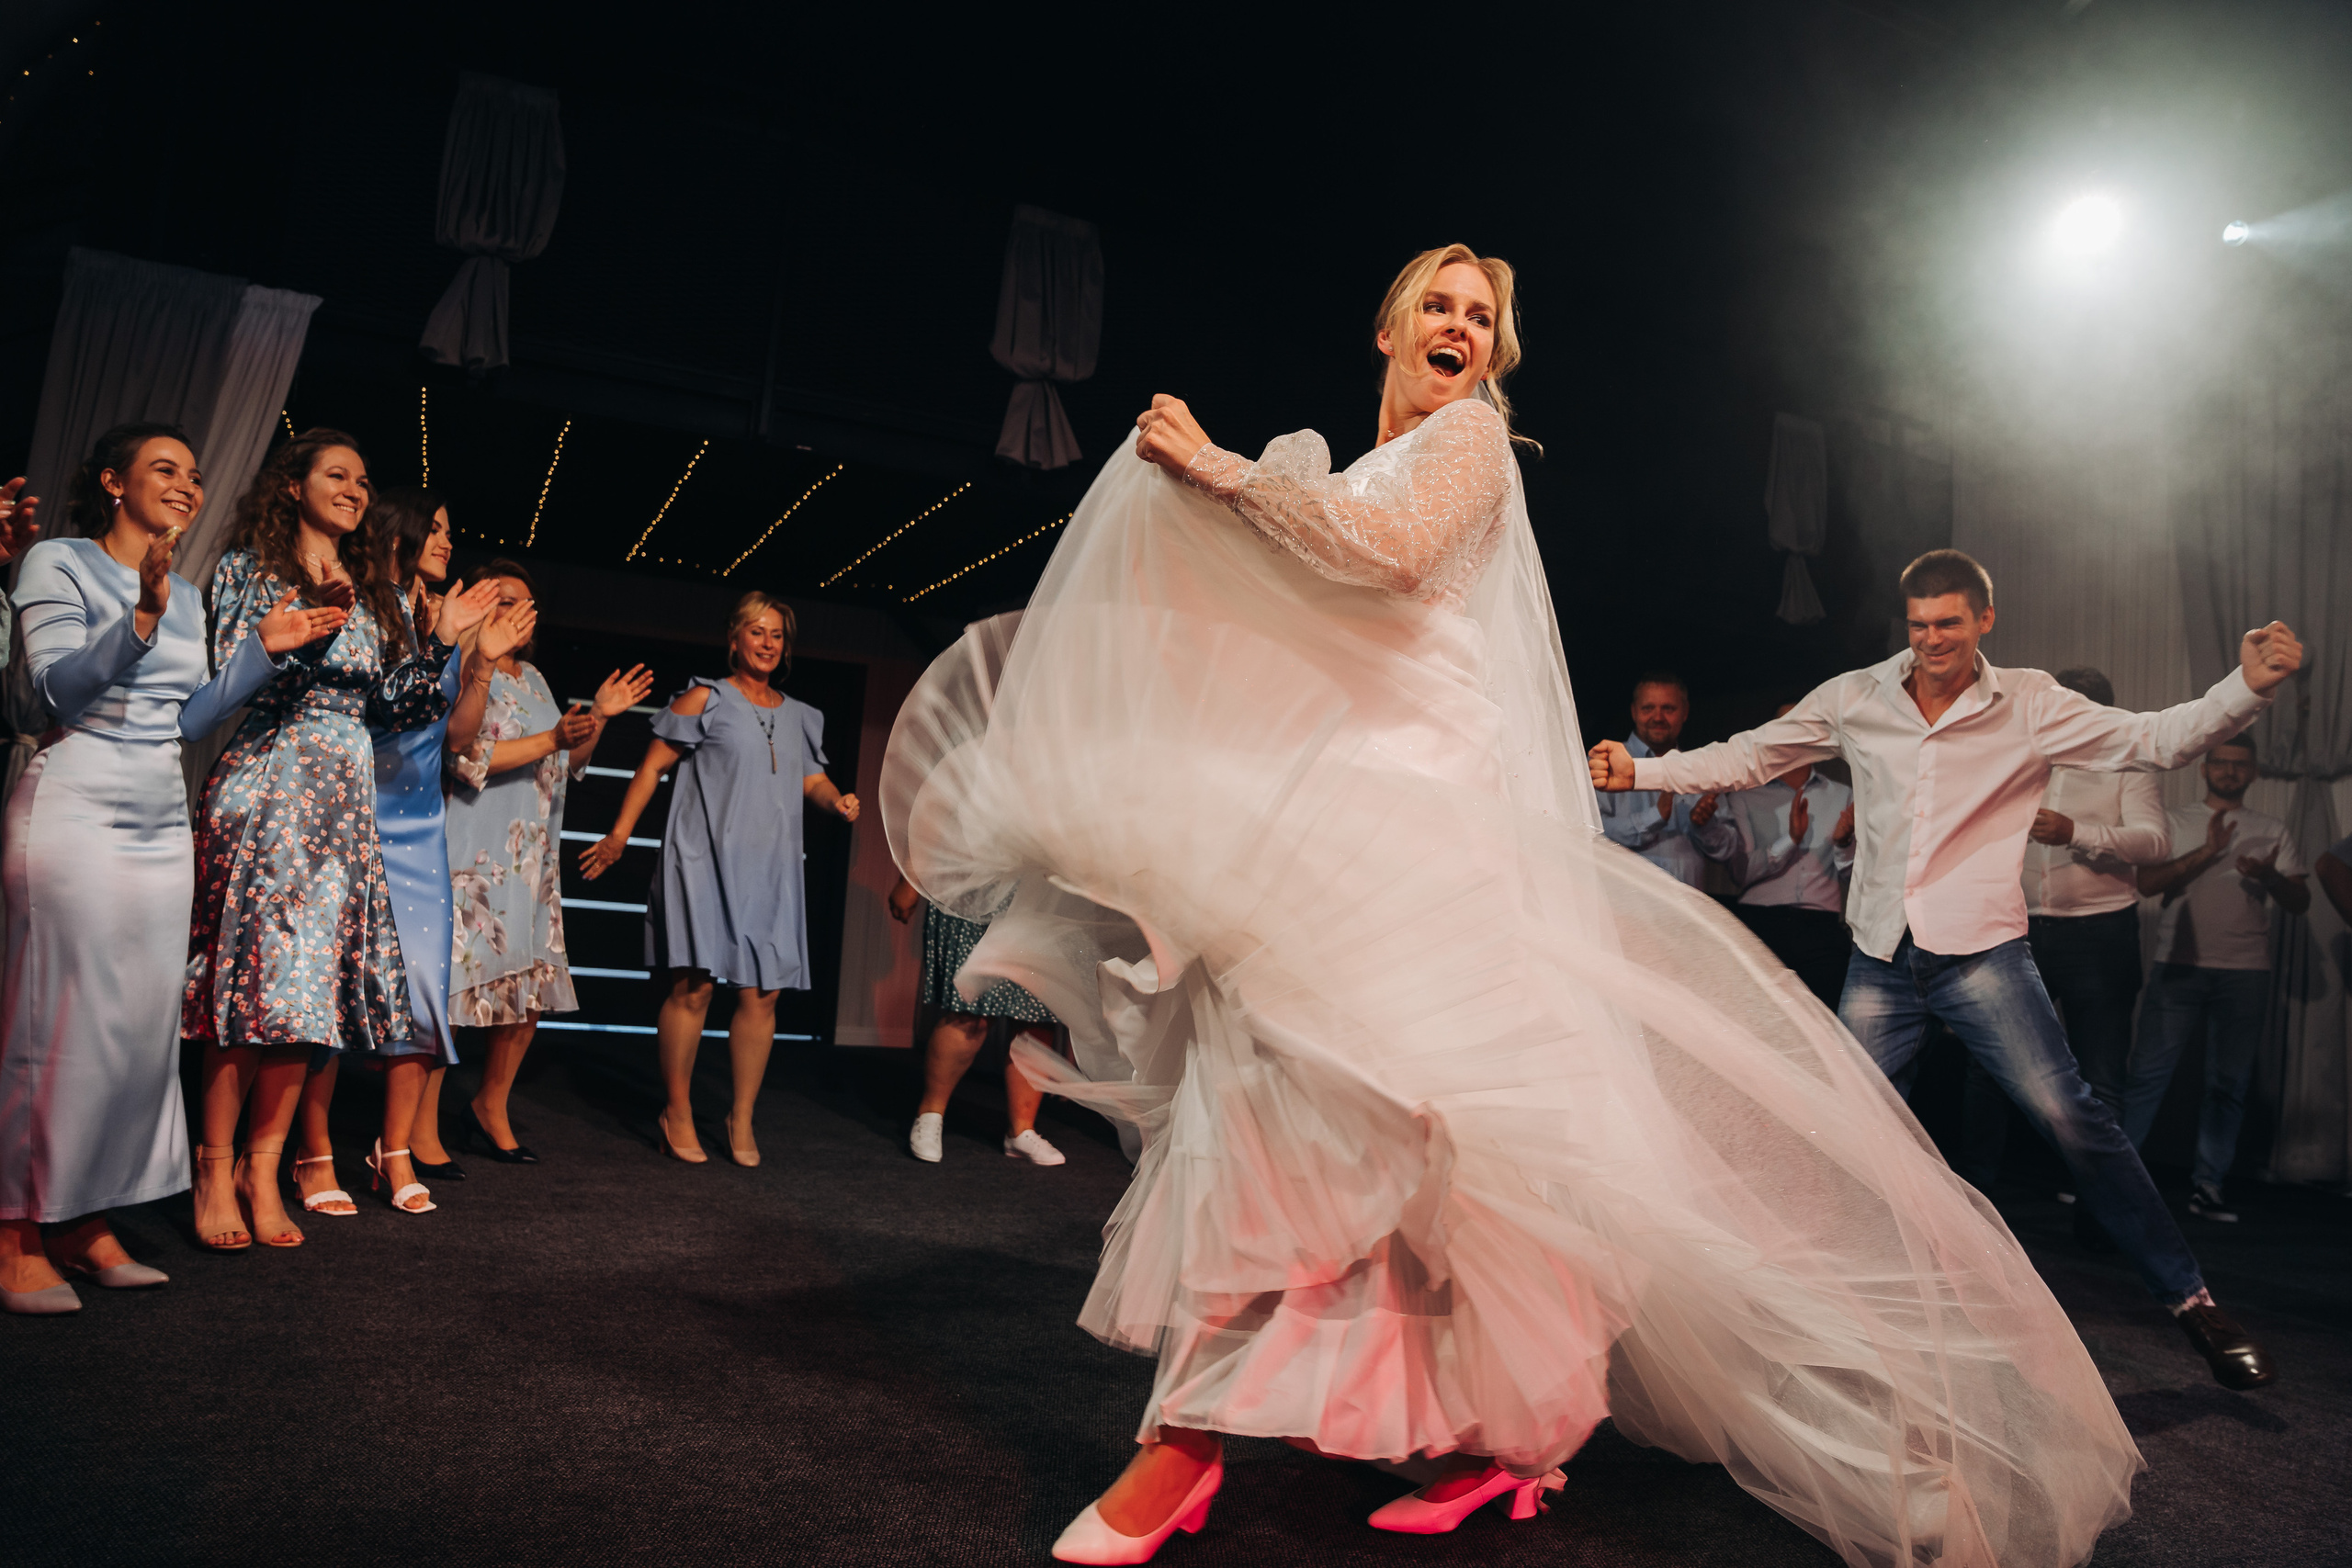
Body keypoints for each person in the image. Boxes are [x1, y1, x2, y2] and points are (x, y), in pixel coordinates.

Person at [888, 244, 2145, 1568]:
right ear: (1386, 331)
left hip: (1417, 832)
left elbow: (1388, 556)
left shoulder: (1470, 443)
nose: (1460, 326)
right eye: (1435, 306)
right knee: (1374, 1132)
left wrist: (1220, 470)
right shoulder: (1348, 464)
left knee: (1334, 1110)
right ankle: (1490, 1441)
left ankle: (1188, 1444)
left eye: (1481, 316)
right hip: (1330, 821)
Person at [1591, 547, 2299, 1393]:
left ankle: (2193, 1301)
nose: (1931, 640)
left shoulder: (2031, 703)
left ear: (1984, 620)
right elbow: (1752, 755)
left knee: (2072, 1117)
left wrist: (2247, 686)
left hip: (1981, 957)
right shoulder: (1857, 697)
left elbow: (2156, 738)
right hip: (1881, 958)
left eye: (1949, 624)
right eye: (1919, 625)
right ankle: (1804, 1311)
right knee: (1835, 1128)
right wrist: (1646, 770)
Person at [1, 425, 342, 1311]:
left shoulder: (187, 594)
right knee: (53, 1021)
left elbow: (187, 720)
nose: (187, 484)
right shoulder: (59, 561)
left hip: (158, 813)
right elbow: (55, 693)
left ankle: (81, 1218)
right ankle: (14, 1228)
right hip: (76, 798)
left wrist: (264, 649)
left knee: (129, 1031)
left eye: (194, 474)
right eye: (165, 469)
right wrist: (140, 618)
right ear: (113, 481)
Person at [183, 429, 497, 1247]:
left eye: (363, 479)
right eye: (337, 474)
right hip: (272, 784)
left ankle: (263, 1168)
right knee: (249, 987)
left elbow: (396, 708)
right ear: (293, 485)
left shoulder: (371, 590)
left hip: (343, 807)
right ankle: (214, 1167)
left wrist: (441, 641)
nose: (357, 489)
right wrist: (303, 637)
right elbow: (228, 683)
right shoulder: (251, 571)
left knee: (307, 996)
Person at [288, 490, 530, 1213]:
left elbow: (457, 735)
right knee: (332, 991)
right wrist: (439, 641)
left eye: (451, 530)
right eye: (437, 528)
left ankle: (392, 1151)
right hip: (359, 808)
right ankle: (312, 1151)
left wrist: (479, 662)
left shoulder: (449, 613)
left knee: (424, 988)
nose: (448, 540)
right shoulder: (362, 604)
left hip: (422, 823)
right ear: (399, 533)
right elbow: (375, 706)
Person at [579, 592, 844, 1167]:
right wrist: (619, 835)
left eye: (777, 634)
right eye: (757, 631)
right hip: (700, 862)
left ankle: (740, 1115)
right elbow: (652, 766)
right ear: (734, 638)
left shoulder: (800, 715)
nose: (767, 643)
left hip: (771, 870)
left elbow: (811, 781)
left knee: (763, 993)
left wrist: (837, 801)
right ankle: (676, 1110)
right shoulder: (706, 698)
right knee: (694, 987)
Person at [447, 560, 647, 1164]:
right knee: (457, 985)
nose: (519, 612)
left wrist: (599, 718)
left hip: (532, 859)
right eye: (505, 599)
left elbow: (565, 759)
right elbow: (467, 756)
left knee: (528, 992)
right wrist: (553, 740)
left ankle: (490, 1105)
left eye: (527, 603)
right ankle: (414, 1126)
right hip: (478, 850)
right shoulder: (464, 665)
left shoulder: (533, 677)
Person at [1957, 667, 2169, 1197]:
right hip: (2016, 928)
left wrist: (2078, 833)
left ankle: (2100, 1211)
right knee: (1989, 1066)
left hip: (2099, 934)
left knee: (2100, 1077)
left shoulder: (2126, 764)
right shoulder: (2019, 761)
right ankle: (1973, 1202)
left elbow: (2155, 843)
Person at [2122, 735, 2309, 1221]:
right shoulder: (2173, 821)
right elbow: (2147, 884)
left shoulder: (2271, 828)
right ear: (2203, 770)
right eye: (2221, 763)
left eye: (2239, 764)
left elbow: (2300, 902)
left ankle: (2209, 1185)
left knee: (2228, 1084)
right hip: (2178, 966)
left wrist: (2270, 877)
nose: (2229, 771)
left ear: (2254, 773)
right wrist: (2208, 851)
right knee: (2146, 1077)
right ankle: (2113, 1182)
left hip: (2245, 971)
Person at [887, 873, 1066, 1167]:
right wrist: (909, 880)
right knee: (970, 1009)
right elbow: (932, 836)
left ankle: (1021, 1130)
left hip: (1040, 885)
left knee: (1035, 1013)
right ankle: (930, 1115)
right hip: (976, 879)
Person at [1690, 700, 1856, 1010]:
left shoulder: (1842, 795)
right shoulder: (1747, 795)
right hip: (1759, 925)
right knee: (1756, 1023)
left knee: (1826, 1026)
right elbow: (1741, 873)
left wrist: (1844, 843)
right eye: (1785, 727)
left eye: (1802, 726)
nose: (1793, 735)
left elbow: (1853, 876)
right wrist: (1790, 840)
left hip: (1821, 929)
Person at [1596, 672, 1716, 887]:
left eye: (1668, 709)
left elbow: (1731, 853)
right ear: (1634, 711)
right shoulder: (1605, 763)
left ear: (1685, 712)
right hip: (1623, 903)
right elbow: (1592, 836)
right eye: (1648, 708)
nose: (1658, 717)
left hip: (1691, 904)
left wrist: (1706, 827)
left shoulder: (1703, 769)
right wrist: (1655, 816)